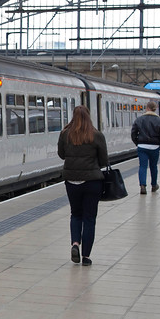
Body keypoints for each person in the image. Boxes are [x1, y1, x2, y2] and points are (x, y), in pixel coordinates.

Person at [57, 105, 108, 266]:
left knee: (76, 214)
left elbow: (61, 155)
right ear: (88, 117)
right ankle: (86, 256)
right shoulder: (96, 135)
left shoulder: (65, 134)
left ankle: (75, 244)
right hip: (92, 182)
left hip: (72, 181)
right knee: (90, 219)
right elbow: (104, 160)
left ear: (73, 116)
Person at [131, 100, 160, 195]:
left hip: (142, 146)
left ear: (147, 108)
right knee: (153, 166)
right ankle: (154, 185)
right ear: (155, 109)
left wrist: (137, 142)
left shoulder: (139, 119)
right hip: (155, 147)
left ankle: (143, 186)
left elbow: (133, 133)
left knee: (142, 166)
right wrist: (159, 143)